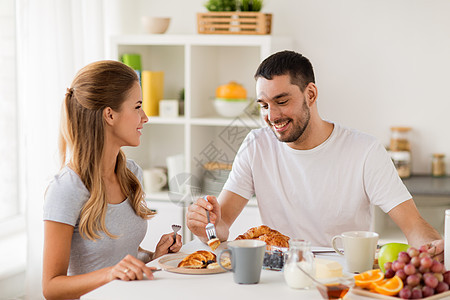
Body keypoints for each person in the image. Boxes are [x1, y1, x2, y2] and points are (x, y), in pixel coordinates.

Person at [187, 50, 444, 261]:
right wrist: (205, 226)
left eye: (282, 101)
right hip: (279, 275)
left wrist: (433, 248)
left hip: (343, 277)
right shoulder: (256, 145)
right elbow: (221, 228)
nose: (272, 116)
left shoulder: (364, 150)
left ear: (310, 94)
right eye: (264, 105)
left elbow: (413, 225)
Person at [42, 60, 182, 299]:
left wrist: (154, 256)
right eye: (137, 106)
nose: (145, 117)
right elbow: (51, 288)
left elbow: (118, 255)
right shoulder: (66, 188)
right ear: (109, 114)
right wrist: (110, 274)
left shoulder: (130, 174)